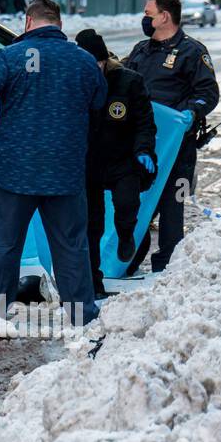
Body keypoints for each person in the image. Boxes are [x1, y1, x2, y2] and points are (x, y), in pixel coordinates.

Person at [0, 0, 106, 326]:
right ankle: (82, 314)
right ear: (59, 24)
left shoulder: (11, 56)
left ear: (28, 22)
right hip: (64, 173)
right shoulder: (83, 61)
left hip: (15, 173)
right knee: (70, 247)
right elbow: (99, 100)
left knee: (5, 246)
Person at [124, 0, 220, 274]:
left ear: (164, 17)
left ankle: (166, 267)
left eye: (148, 14)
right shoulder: (142, 50)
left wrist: (191, 112)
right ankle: (128, 259)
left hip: (176, 148)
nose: (144, 18)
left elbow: (208, 92)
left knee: (171, 208)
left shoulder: (193, 51)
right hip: (141, 144)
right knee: (134, 204)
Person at [74, 28, 157, 298]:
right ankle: (94, 280)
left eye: (97, 64)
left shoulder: (129, 82)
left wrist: (143, 149)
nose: (93, 70)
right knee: (91, 225)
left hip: (123, 159)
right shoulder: (75, 82)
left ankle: (125, 234)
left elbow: (145, 121)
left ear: (104, 61)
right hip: (90, 162)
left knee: (126, 204)